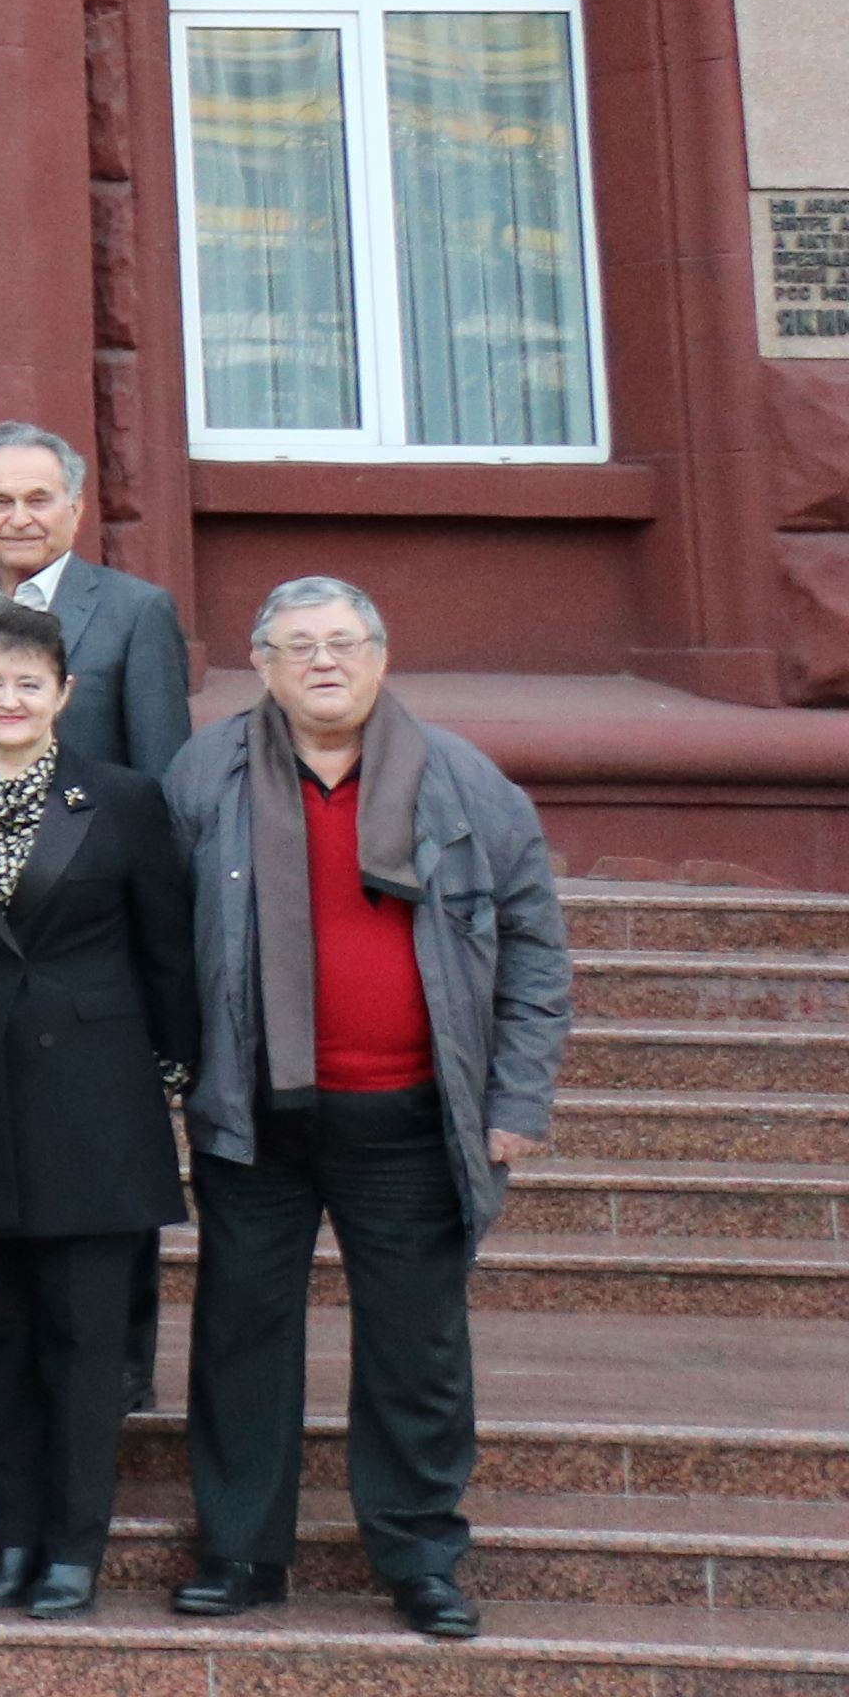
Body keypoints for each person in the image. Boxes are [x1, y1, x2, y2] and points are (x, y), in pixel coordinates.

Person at [166, 576, 571, 1639]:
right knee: (242, 1337)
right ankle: (241, 1550)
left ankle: (421, 1555)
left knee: (415, 1347)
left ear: (381, 658)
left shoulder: (466, 781)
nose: (323, 662)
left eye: (343, 643)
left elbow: (534, 950)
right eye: (297, 646)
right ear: (262, 667)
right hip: (257, 1116)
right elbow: (160, 928)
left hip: (410, 1117)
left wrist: (517, 1095)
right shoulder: (205, 772)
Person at [0, 608, 196, 1617]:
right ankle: (13, 1540)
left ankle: (75, 1548)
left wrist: (174, 1072)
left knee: (83, 1342)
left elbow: (167, 948)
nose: (10, 700)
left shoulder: (122, 799)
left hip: (93, 1107)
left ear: (64, 693)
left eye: (29, 683)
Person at [0, 421, 195, 779]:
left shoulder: (136, 612)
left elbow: (162, 766)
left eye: (38, 501)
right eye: (0, 502)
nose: (19, 519)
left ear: (76, 508)